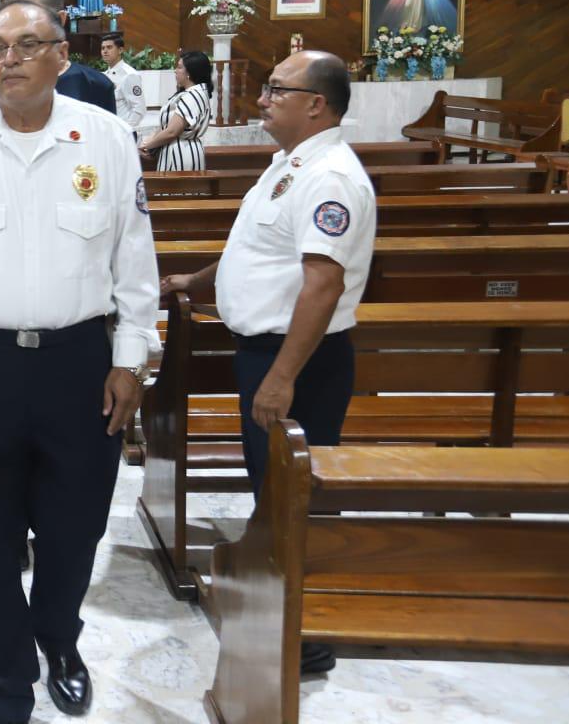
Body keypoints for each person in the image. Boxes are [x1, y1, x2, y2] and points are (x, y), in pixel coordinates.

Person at [0, 0, 157, 722]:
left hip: (80, 361)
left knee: (75, 527)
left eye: (25, 44)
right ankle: (7, 677)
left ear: (60, 56)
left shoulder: (105, 138)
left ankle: (59, 638)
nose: (8, 58)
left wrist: (131, 358)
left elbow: (134, 261)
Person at [159, 51, 374, 677]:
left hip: (297, 360)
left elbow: (321, 286)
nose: (262, 98)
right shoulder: (291, 164)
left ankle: (301, 640)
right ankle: (275, 612)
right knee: (271, 488)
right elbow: (259, 251)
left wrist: (281, 376)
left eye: (278, 89)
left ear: (317, 104)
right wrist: (198, 280)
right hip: (269, 353)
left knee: (287, 498)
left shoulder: (330, 176)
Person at [3, 0, 116, 113]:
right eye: (12, 16)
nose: (19, 25)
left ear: (60, 19)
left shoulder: (95, 86)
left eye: (31, 16)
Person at [141, 50, 212, 171]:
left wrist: (147, 145)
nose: (175, 70)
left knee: (179, 190)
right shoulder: (190, 93)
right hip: (175, 150)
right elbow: (166, 126)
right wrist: (149, 141)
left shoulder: (193, 95)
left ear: (190, 72)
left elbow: (172, 132)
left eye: (179, 67)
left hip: (181, 154)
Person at [99, 33, 145, 132]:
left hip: (122, 132)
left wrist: (125, 130)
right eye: (103, 48)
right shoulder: (104, 75)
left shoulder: (129, 75)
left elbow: (139, 109)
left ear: (120, 50)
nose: (105, 51)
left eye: (109, 47)